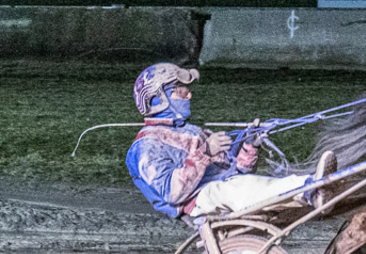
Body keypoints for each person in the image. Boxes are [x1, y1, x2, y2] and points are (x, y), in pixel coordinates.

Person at [126, 62, 336, 219]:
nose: (189, 96)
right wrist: (205, 152)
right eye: (182, 91)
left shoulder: (192, 132)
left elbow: (238, 172)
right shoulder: (146, 147)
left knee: (244, 184)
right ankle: (310, 188)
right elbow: (172, 193)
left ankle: (310, 188)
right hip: (196, 200)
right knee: (239, 188)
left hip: (218, 187)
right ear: (160, 98)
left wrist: (249, 146)